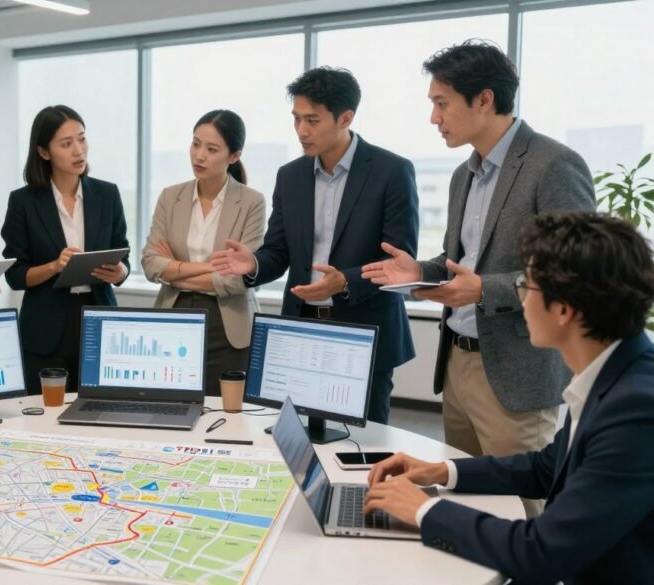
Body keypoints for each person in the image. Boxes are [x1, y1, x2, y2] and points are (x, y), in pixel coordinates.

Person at [361, 41, 596, 510]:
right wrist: (420, 269)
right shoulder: (462, 175)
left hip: (516, 372)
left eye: (441, 103)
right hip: (458, 364)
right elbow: (461, 257)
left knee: (524, 512)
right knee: (466, 497)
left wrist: (483, 289)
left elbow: (574, 270)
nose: (434, 117)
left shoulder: (553, 164)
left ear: (484, 99)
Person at [363, 212, 654, 585]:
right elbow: (547, 468)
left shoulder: (635, 410)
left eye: (524, 285)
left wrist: (425, 510)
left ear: (564, 309)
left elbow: (541, 553)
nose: (519, 298)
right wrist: (441, 471)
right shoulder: (613, 372)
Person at [211, 67, 419, 423]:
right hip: (301, 331)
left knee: (361, 446)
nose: (302, 130)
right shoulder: (290, 176)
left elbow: (399, 262)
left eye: (313, 120)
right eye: (296, 119)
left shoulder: (391, 171)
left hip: (363, 334)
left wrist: (346, 282)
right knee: (298, 438)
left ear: (346, 118)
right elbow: (278, 251)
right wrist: (255, 265)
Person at [1, 105, 130, 395]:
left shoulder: (107, 194)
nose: (78, 150)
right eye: (66, 143)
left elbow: (124, 254)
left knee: (101, 409)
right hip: (46, 327)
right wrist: (54, 266)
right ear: (44, 152)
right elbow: (16, 275)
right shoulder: (23, 201)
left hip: (99, 319)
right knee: (45, 413)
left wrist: (120, 271)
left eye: (82, 139)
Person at [141, 110, 265, 395]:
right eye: (195, 144)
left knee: (227, 416)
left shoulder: (251, 202)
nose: (199, 155)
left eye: (211, 149)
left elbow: (237, 279)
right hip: (174, 314)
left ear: (234, 156)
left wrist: (174, 270)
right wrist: (211, 267)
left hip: (228, 325)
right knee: (169, 405)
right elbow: (150, 263)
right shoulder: (170, 197)